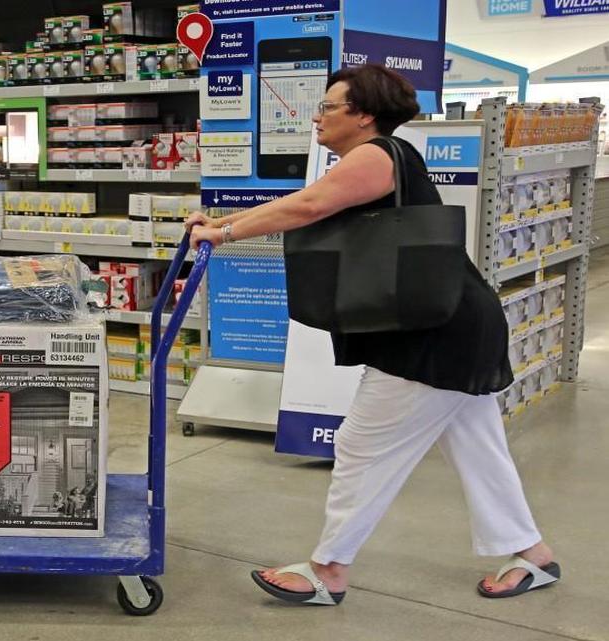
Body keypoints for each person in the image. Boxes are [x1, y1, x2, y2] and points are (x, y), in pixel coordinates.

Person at [187, 65, 558, 606]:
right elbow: (310, 200)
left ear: (363, 115)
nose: (317, 115)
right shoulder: (381, 156)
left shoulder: (377, 154)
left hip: (433, 335)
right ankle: (533, 555)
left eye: (330, 106)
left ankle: (328, 570)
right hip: (455, 321)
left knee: (361, 446)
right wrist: (221, 221)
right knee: (478, 446)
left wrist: (223, 232)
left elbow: (309, 207)